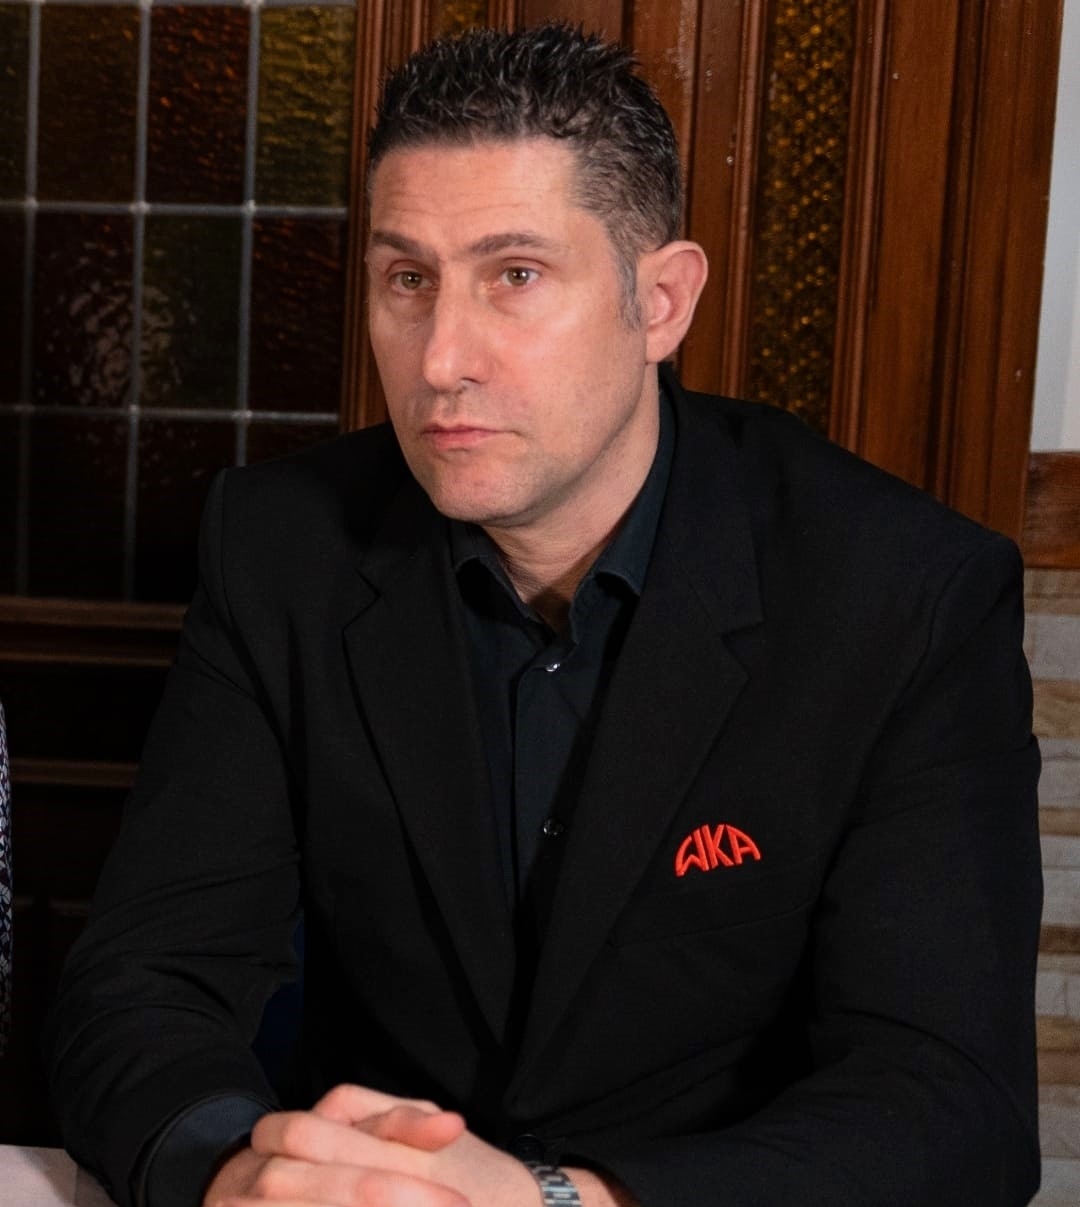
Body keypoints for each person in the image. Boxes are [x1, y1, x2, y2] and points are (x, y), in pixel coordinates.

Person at [47, 22, 1043, 1207]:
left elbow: (950, 1103)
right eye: (408, 280)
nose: (441, 360)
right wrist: (237, 1169)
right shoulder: (281, 549)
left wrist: (557, 1201)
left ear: (660, 301)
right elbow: (145, 980)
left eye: (514, 277)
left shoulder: (903, 593)